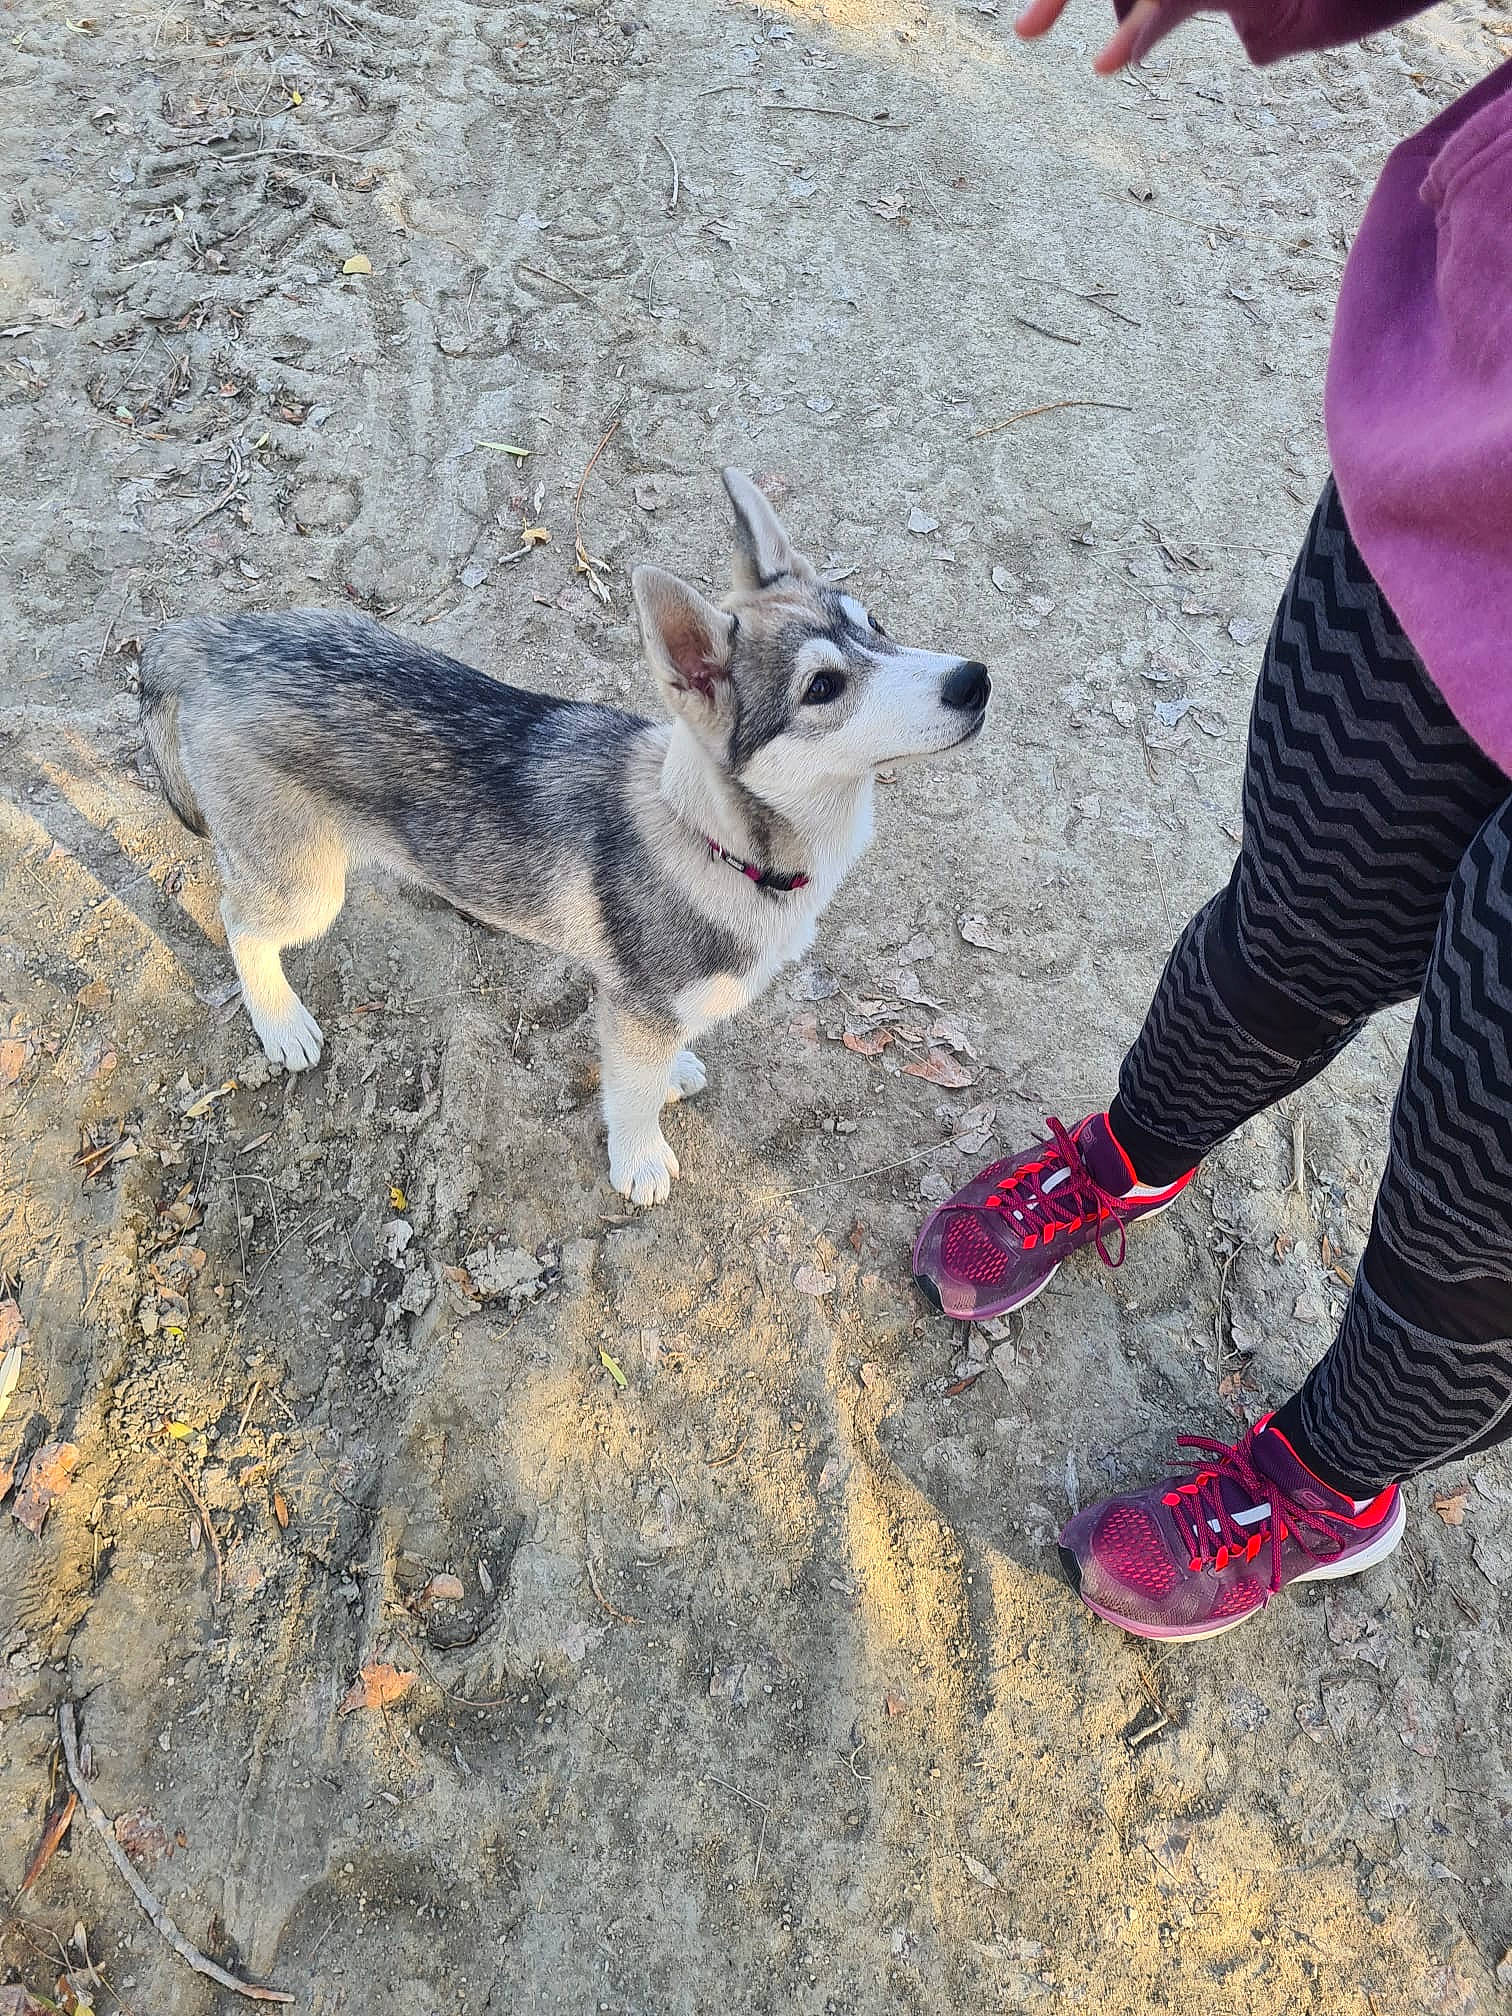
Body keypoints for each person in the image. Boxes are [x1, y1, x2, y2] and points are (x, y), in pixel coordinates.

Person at [912, 0, 1512, 1641]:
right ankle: (1130, 1156)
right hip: (1494, 447)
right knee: (1299, 912)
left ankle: (1333, 1486)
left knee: (1487, 1177)